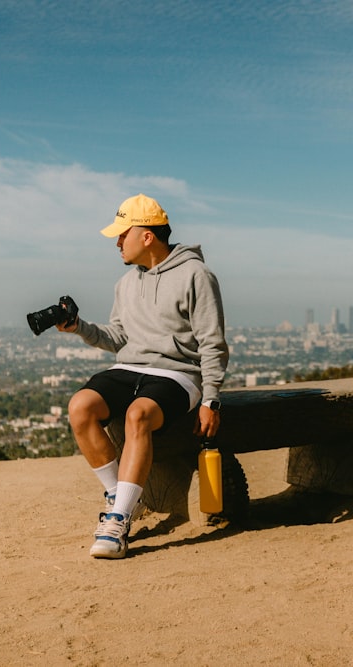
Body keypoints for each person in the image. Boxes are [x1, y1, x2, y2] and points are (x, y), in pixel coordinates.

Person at [56, 193, 228, 559]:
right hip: (129, 368)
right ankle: (120, 496)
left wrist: (211, 398)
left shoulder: (196, 275)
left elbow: (213, 343)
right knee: (80, 406)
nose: (117, 242)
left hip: (177, 374)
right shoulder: (126, 283)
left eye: (123, 234)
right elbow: (118, 336)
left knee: (138, 415)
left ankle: (117, 521)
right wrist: (78, 327)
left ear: (147, 236)